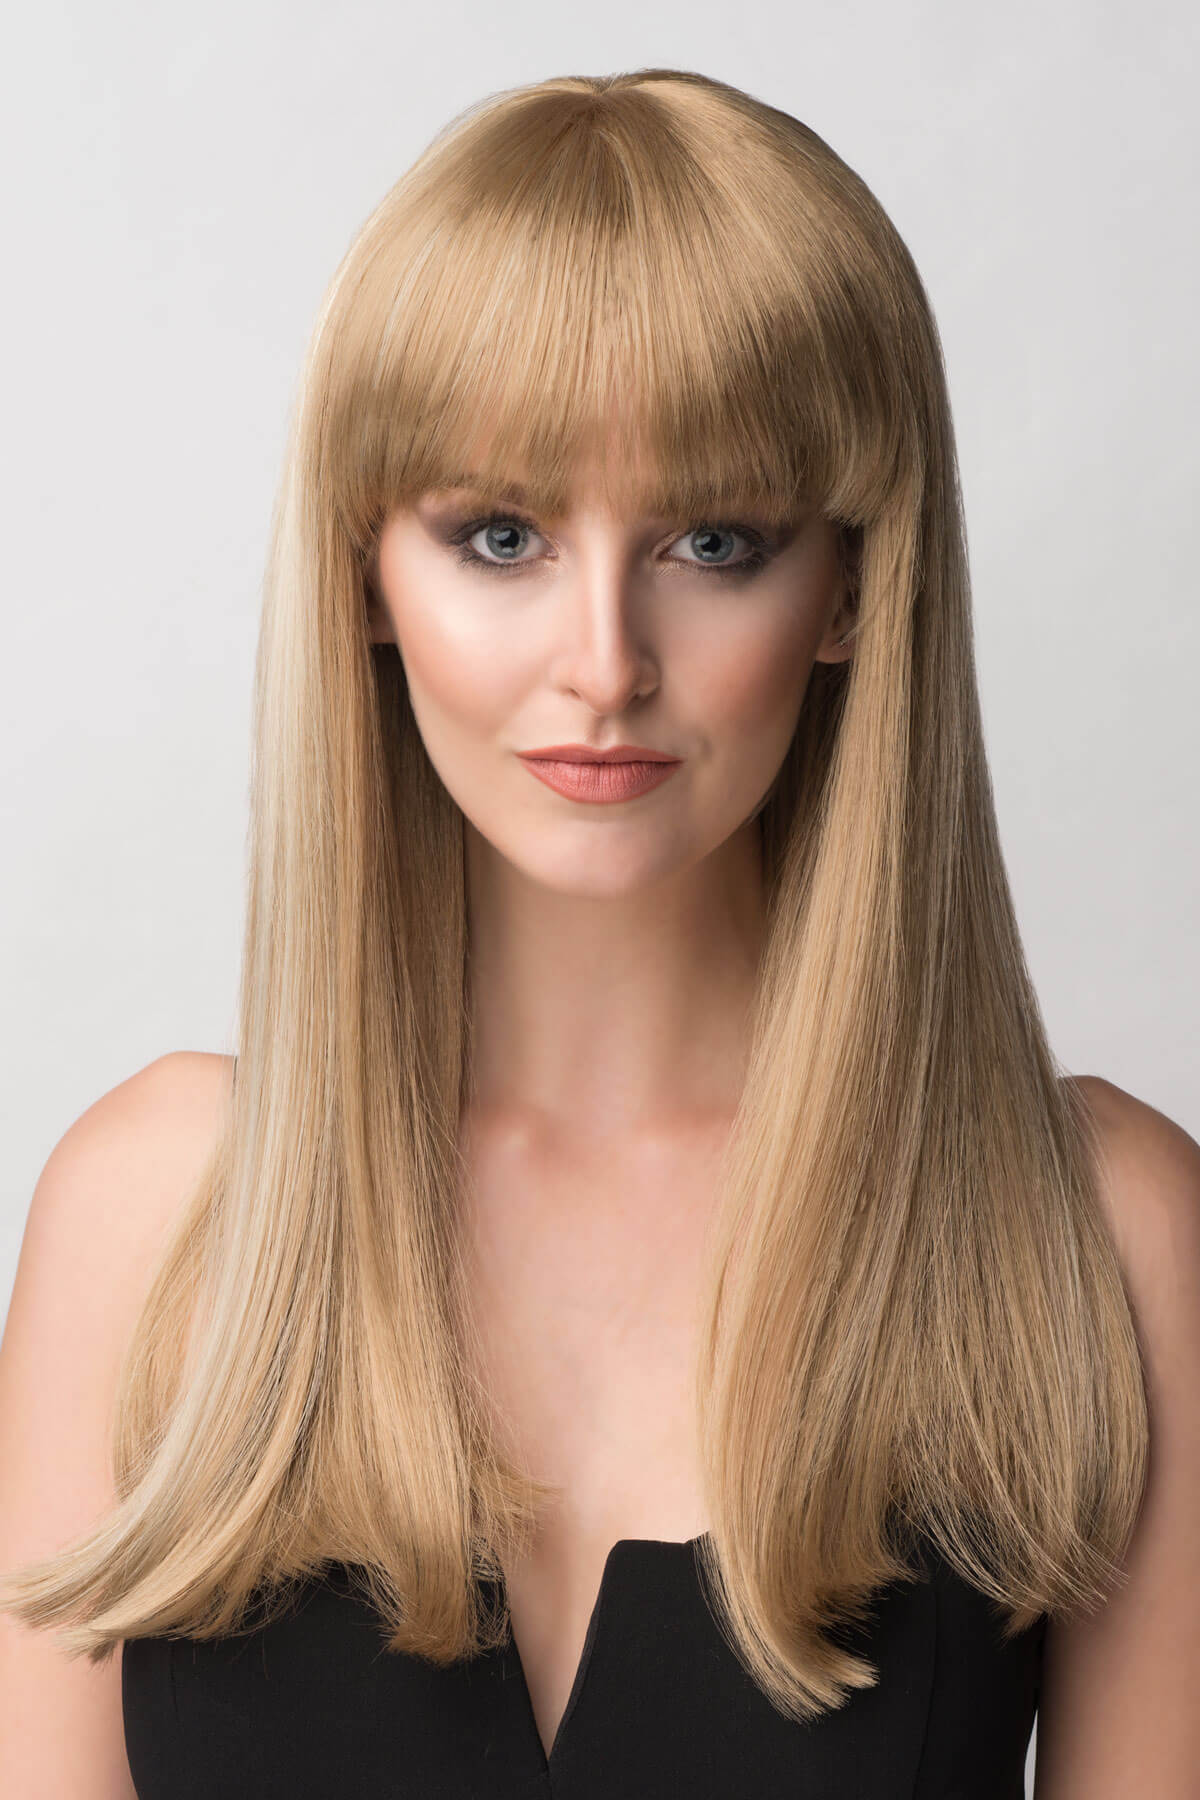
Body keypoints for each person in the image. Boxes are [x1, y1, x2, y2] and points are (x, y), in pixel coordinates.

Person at [1, 66, 1197, 1800]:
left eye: (715, 538)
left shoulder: (1095, 1241)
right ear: (365, 578)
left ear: (858, 579)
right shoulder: (160, 1221)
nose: (604, 658)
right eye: (500, 534)